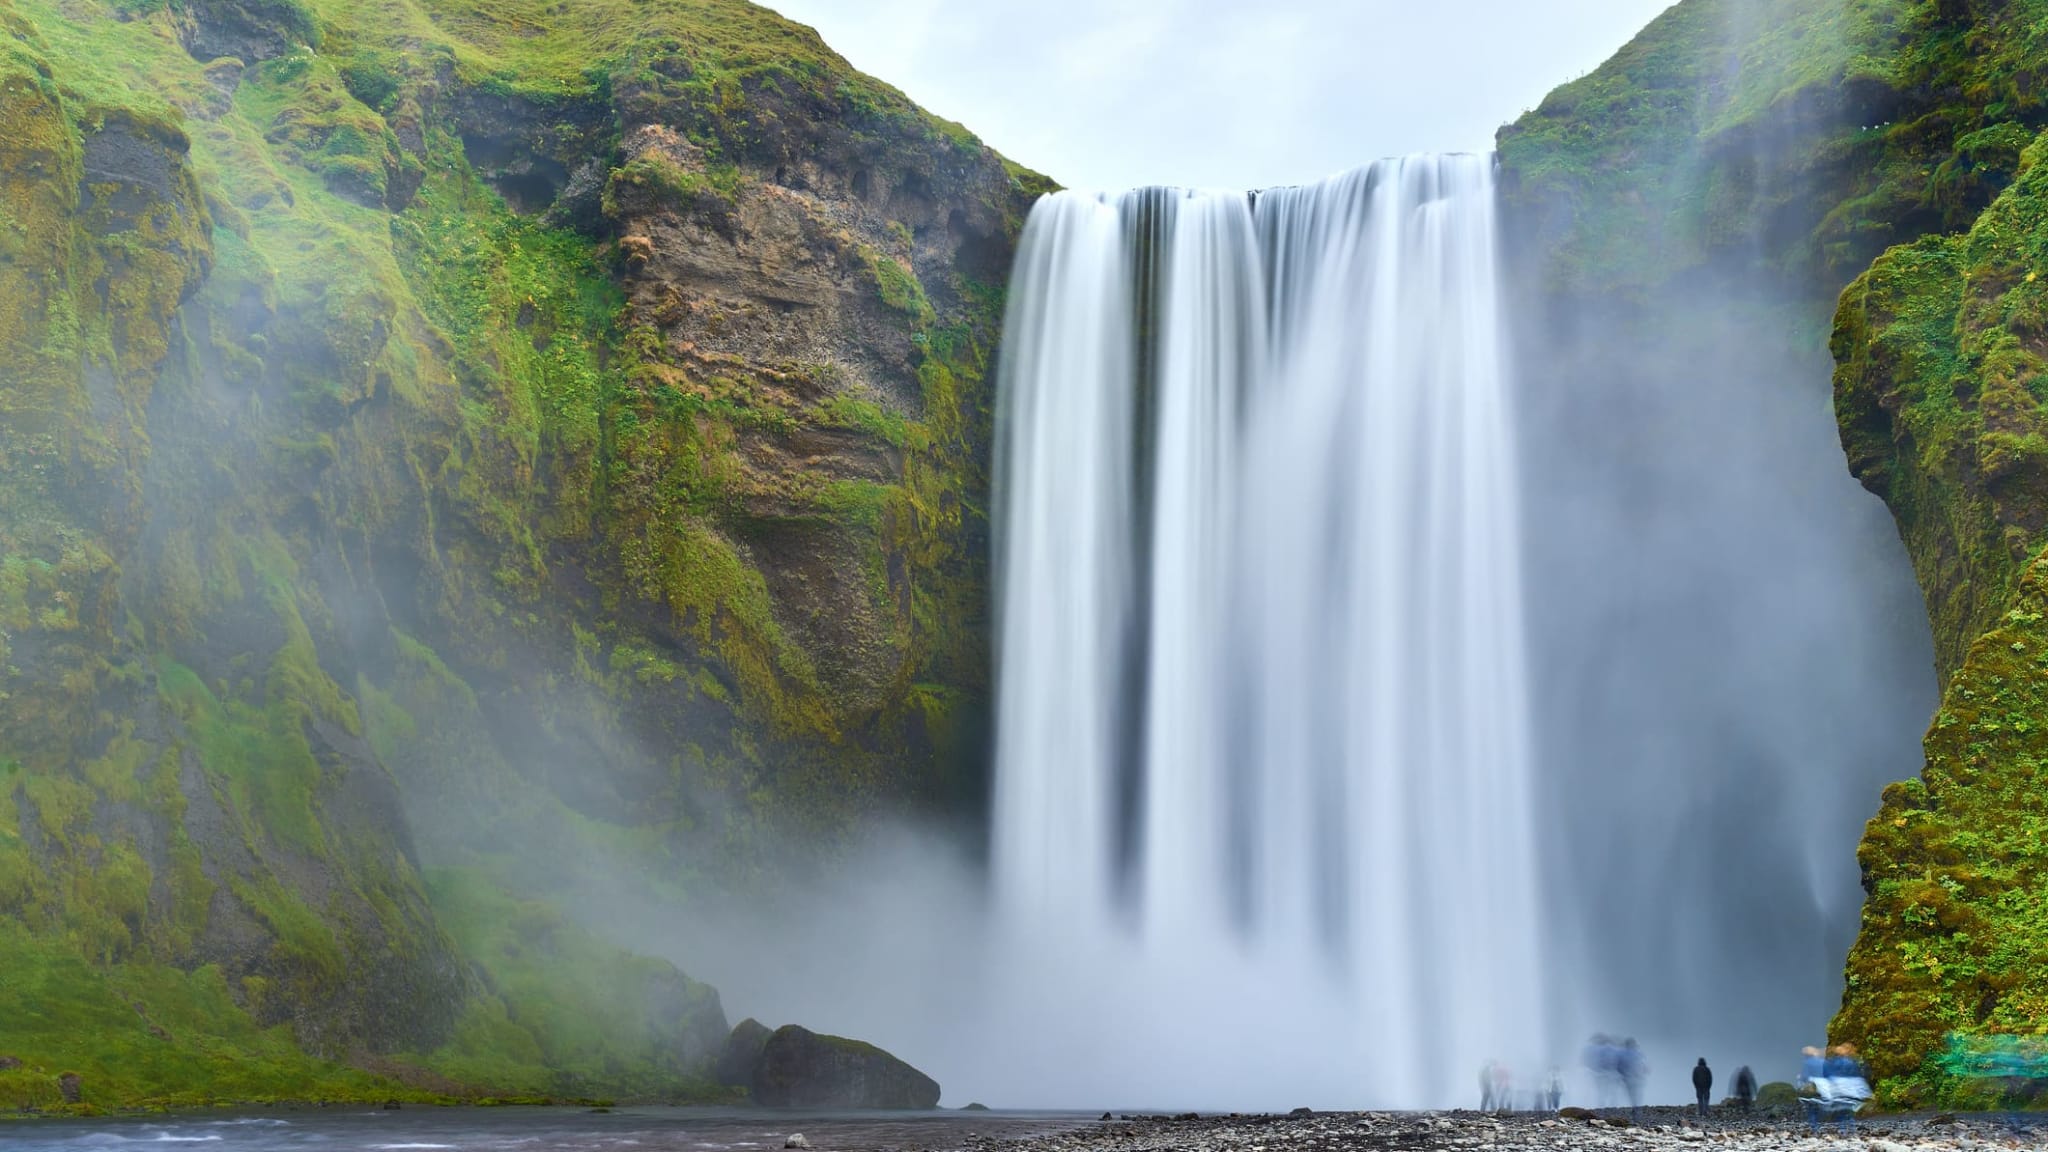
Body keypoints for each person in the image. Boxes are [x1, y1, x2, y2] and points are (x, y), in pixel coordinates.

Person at [1620, 1038, 1648, 1127]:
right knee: (1637, 1096)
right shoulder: (1639, 1054)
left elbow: (1620, 1067)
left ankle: (1635, 1112)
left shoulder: (1623, 1054)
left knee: (1632, 1096)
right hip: (1638, 1079)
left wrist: (1623, 1076)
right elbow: (1645, 1067)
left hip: (1628, 1079)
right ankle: (1637, 1115)